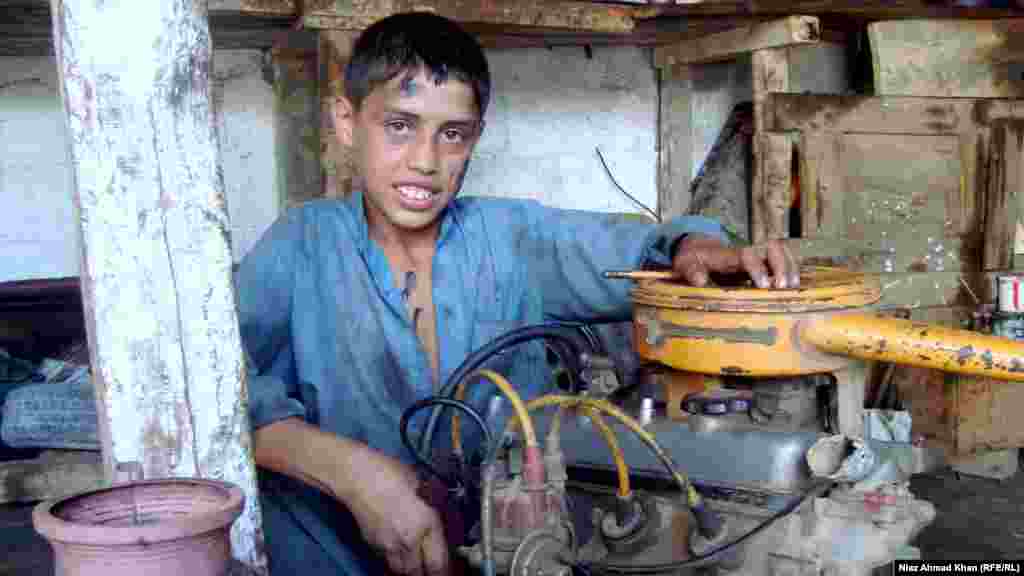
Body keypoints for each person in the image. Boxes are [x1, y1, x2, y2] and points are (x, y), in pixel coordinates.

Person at [235, 11, 799, 576]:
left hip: (507, 555)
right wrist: (357, 476)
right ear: (345, 120)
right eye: (399, 126)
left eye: (451, 134)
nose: (426, 161)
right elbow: (217, 395)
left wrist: (694, 246)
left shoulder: (512, 238)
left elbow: (645, 246)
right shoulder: (300, 248)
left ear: (475, 137)